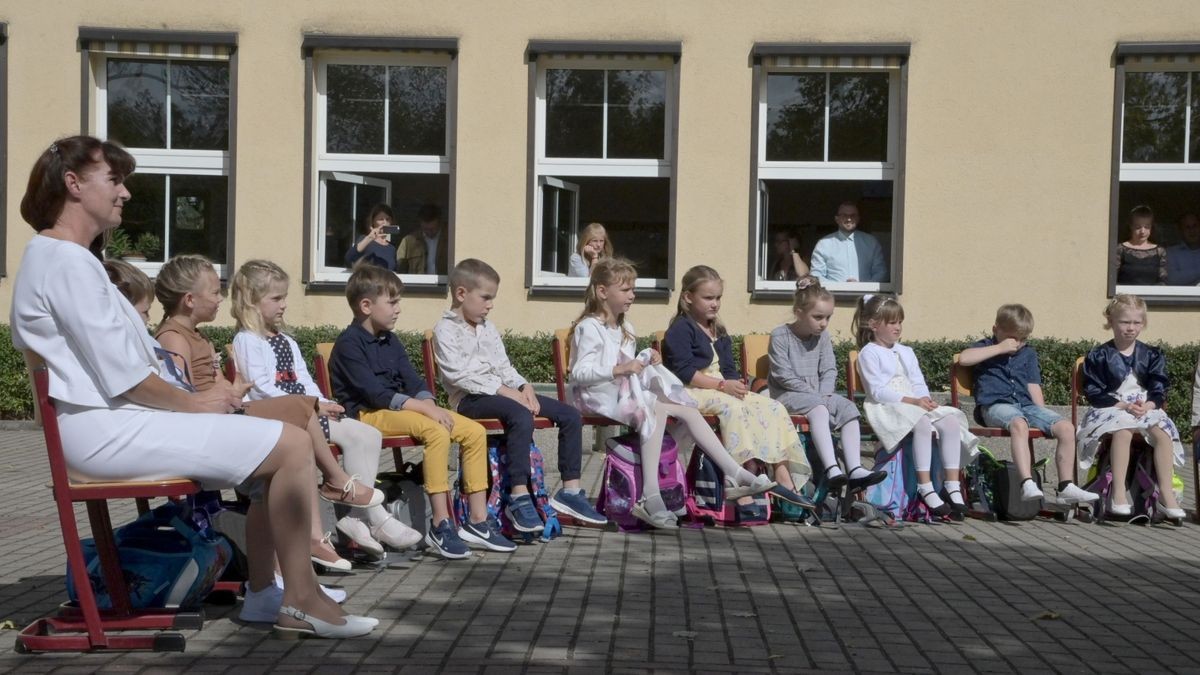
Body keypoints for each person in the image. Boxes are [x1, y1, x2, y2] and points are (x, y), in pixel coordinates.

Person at [10, 135, 374, 638]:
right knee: (291, 448)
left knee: (293, 421)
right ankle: (300, 598)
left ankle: (269, 592)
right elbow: (127, 377)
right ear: (73, 185)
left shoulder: (66, 258)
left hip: (115, 424)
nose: (125, 193)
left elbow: (128, 369)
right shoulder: (65, 262)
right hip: (105, 433)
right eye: (114, 180)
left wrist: (207, 400)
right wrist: (196, 403)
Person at [154, 254, 383, 572]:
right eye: (215, 292)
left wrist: (230, 392)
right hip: (209, 429)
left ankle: (313, 540)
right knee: (300, 415)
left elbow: (210, 388)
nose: (222, 297)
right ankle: (333, 487)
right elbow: (181, 397)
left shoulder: (195, 335)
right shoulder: (174, 338)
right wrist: (225, 396)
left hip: (222, 418)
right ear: (190, 300)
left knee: (302, 419)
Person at [231, 259, 423, 555]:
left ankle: (357, 518)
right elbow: (260, 388)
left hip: (307, 410)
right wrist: (308, 405)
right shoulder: (247, 340)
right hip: (278, 416)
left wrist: (322, 402)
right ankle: (377, 518)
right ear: (252, 302)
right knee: (351, 434)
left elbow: (304, 379)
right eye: (276, 298)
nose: (283, 305)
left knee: (367, 435)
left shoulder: (285, 340)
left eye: (285, 298)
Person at [569, 258, 775, 529]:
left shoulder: (625, 328)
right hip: (594, 396)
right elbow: (579, 373)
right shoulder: (589, 327)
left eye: (633, 289)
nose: (632, 295)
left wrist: (646, 359)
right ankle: (651, 494)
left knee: (686, 405)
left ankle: (733, 472)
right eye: (626, 290)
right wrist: (621, 368)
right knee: (655, 408)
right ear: (602, 292)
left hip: (619, 392)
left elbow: (629, 368)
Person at [330, 263, 513, 558]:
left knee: (474, 431)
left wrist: (427, 402)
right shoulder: (349, 344)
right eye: (392, 302)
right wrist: (425, 410)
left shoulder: (390, 339)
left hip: (403, 410)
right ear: (366, 305)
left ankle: (478, 521)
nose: (398, 309)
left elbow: (414, 380)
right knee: (436, 431)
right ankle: (441, 523)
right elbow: (375, 394)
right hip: (368, 414)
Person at [433, 258, 608, 532]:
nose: (490, 305)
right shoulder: (445, 329)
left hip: (504, 395)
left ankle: (571, 492)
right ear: (461, 294)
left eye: (493, 299)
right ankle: (519, 495)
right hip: (469, 400)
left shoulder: (487, 328)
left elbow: (504, 367)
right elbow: (459, 375)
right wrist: (507, 392)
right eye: (486, 298)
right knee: (519, 414)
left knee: (570, 414)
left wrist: (524, 386)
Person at [662, 265, 813, 520]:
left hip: (719, 387)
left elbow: (729, 369)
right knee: (734, 408)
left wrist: (736, 386)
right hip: (691, 390)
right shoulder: (681, 328)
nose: (715, 304)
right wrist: (723, 387)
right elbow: (684, 372)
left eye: (718, 298)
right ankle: (740, 476)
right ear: (688, 297)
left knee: (772, 406)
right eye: (708, 298)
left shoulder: (718, 330)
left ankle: (784, 477)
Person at [958, 304, 1099, 506]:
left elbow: (1033, 386)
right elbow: (963, 359)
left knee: (1066, 428)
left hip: (1025, 406)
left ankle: (1066, 487)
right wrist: (999, 348)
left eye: (1023, 339)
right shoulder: (985, 346)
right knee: (1019, 424)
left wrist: (1043, 416)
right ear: (996, 329)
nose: (1019, 343)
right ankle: (1026, 482)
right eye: (1014, 338)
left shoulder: (1028, 353)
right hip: (994, 405)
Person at [852, 295, 978, 518]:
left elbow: (917, 381)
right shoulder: (868, 353)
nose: (897, 327)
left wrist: (924, 399)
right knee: (920, 423)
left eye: (899, 322)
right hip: (887, 406)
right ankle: (925, 485)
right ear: (873, 324)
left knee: (949, 420)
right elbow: (877, 391)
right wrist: (913, 402)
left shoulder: (906, 351)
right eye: (892, 322)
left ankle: (951, 484)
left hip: (912, 403)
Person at [768, 276, 886, 492]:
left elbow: (829, 369)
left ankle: (855, 469)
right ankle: (832, 468)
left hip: (817, 395)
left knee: (848, 407)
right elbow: (782, 374)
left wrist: (825, 393)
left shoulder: (822, 337)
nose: (823, 323)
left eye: (828, 317)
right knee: (820, 409)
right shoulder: (780, 335)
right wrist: (818, 396)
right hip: (787, 395)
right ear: (799, 312)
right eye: (818, 317)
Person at [1076, 295, 1184, 519]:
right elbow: (1094, 391)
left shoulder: (1152, 354)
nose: (1131, 328)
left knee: (1163, 434)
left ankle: (1166, 494)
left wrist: (1149, 405)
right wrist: (1122, 405)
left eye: (1136, 323)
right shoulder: (1099, 355)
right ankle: (1118, 494)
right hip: (1111, 408)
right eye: (1125, 322)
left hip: (1144, 407)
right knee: (1123, 431)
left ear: (1143, 323)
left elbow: (1159, 387)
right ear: (1111, 321)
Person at [809, 201, 887, 283]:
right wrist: (840, 287)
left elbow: (881, 272)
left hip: (865, 294)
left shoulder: (871, 242)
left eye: (853, 215)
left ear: (858, 218)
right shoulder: (824, 244)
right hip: (833, 294)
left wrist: (862, 286)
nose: (849, 219)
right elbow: (816, 274)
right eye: (844, 215)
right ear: (837, 219)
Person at [1113, 205, 1167, 285]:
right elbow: (1112, 280)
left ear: (1151, 227)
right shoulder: (1120, 249)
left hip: (1152, 296)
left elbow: (1163, 281)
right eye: (1138, 227)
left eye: (1147, 227)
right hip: (1126, 296)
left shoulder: (1159, 251)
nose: (1142, 231)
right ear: (1131, 226)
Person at [396, 203, 448, 275]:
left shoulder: (450, 240)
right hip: (417, 284)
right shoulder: (408, 241)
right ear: (420, 223)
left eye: (433, 229)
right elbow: (400, 269)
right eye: (425, 229)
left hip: (444, 283)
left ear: (439, 223)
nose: (429, 232)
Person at [344, 203, 398, 272]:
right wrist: (370, 238)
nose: (385, 222)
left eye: (388, 219)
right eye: (381, 219)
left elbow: (394, 271)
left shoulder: (391, 248)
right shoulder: (366, 240)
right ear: (373, 222)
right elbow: (349, 258)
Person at [1165, 213, 1200, 285]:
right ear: (1181, 231)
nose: (1192, 230)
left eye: (1195, 226)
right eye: (1187, 227)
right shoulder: (1171, 252)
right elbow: (1172, 279)